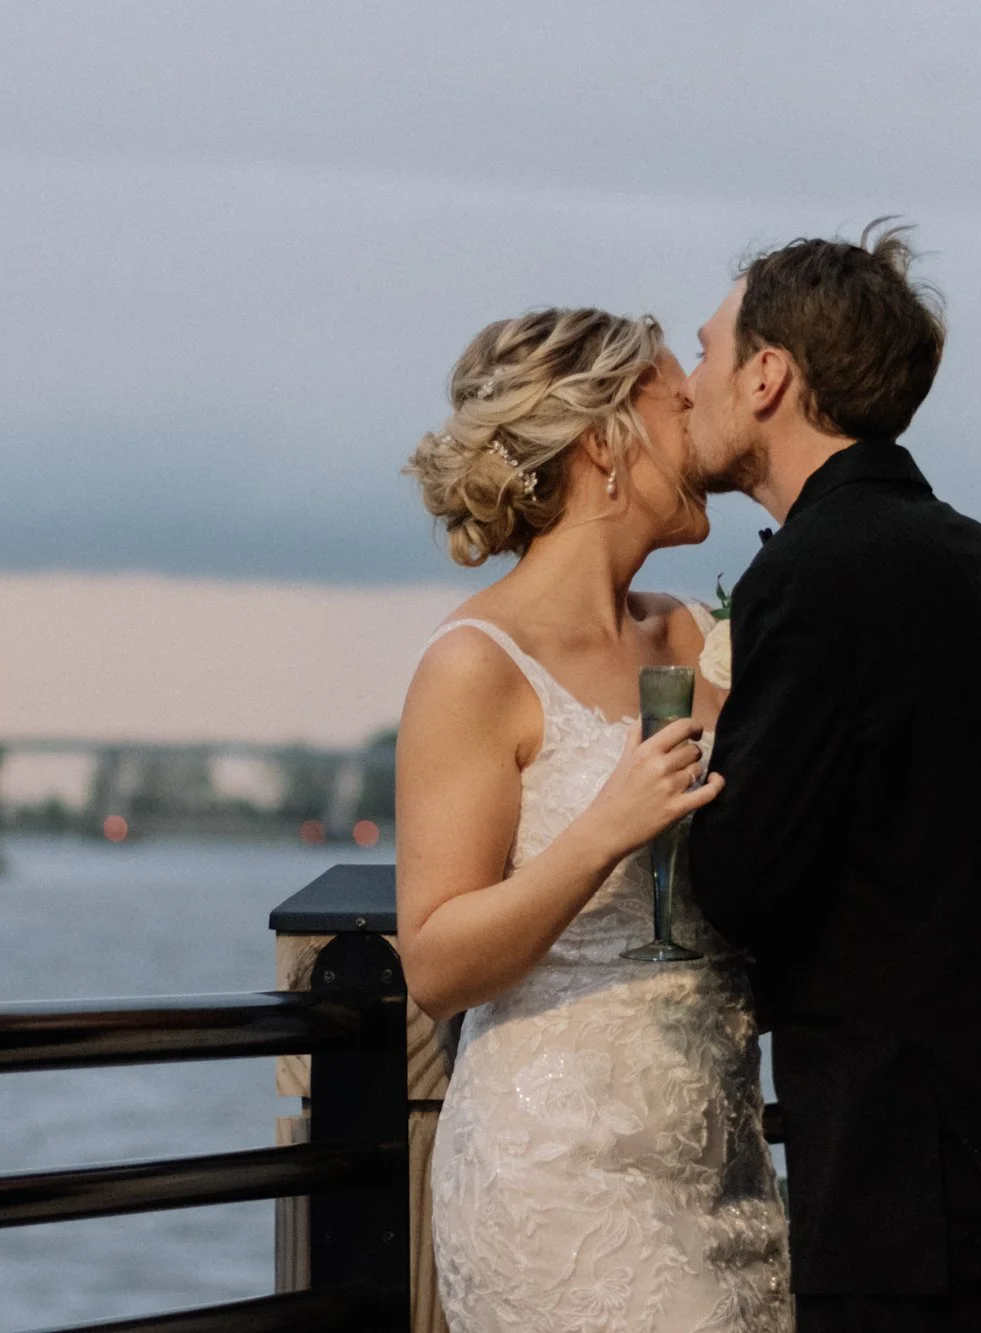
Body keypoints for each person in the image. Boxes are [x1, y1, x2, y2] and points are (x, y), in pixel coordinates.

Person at [685, 224, 981, 1332]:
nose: (688, 386)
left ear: (766, 376)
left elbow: (736, 880)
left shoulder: (807, 578)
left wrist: (703, 746)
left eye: (704, 354)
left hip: (908, 1190)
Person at [394, 307, 790, 1333]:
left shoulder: (697, 637)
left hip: (726, 1172)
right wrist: (601, 828)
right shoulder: (473, 666)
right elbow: (436, 962)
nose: (701, 415)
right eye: (675, 396)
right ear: (603, 441)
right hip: (559, 1184)